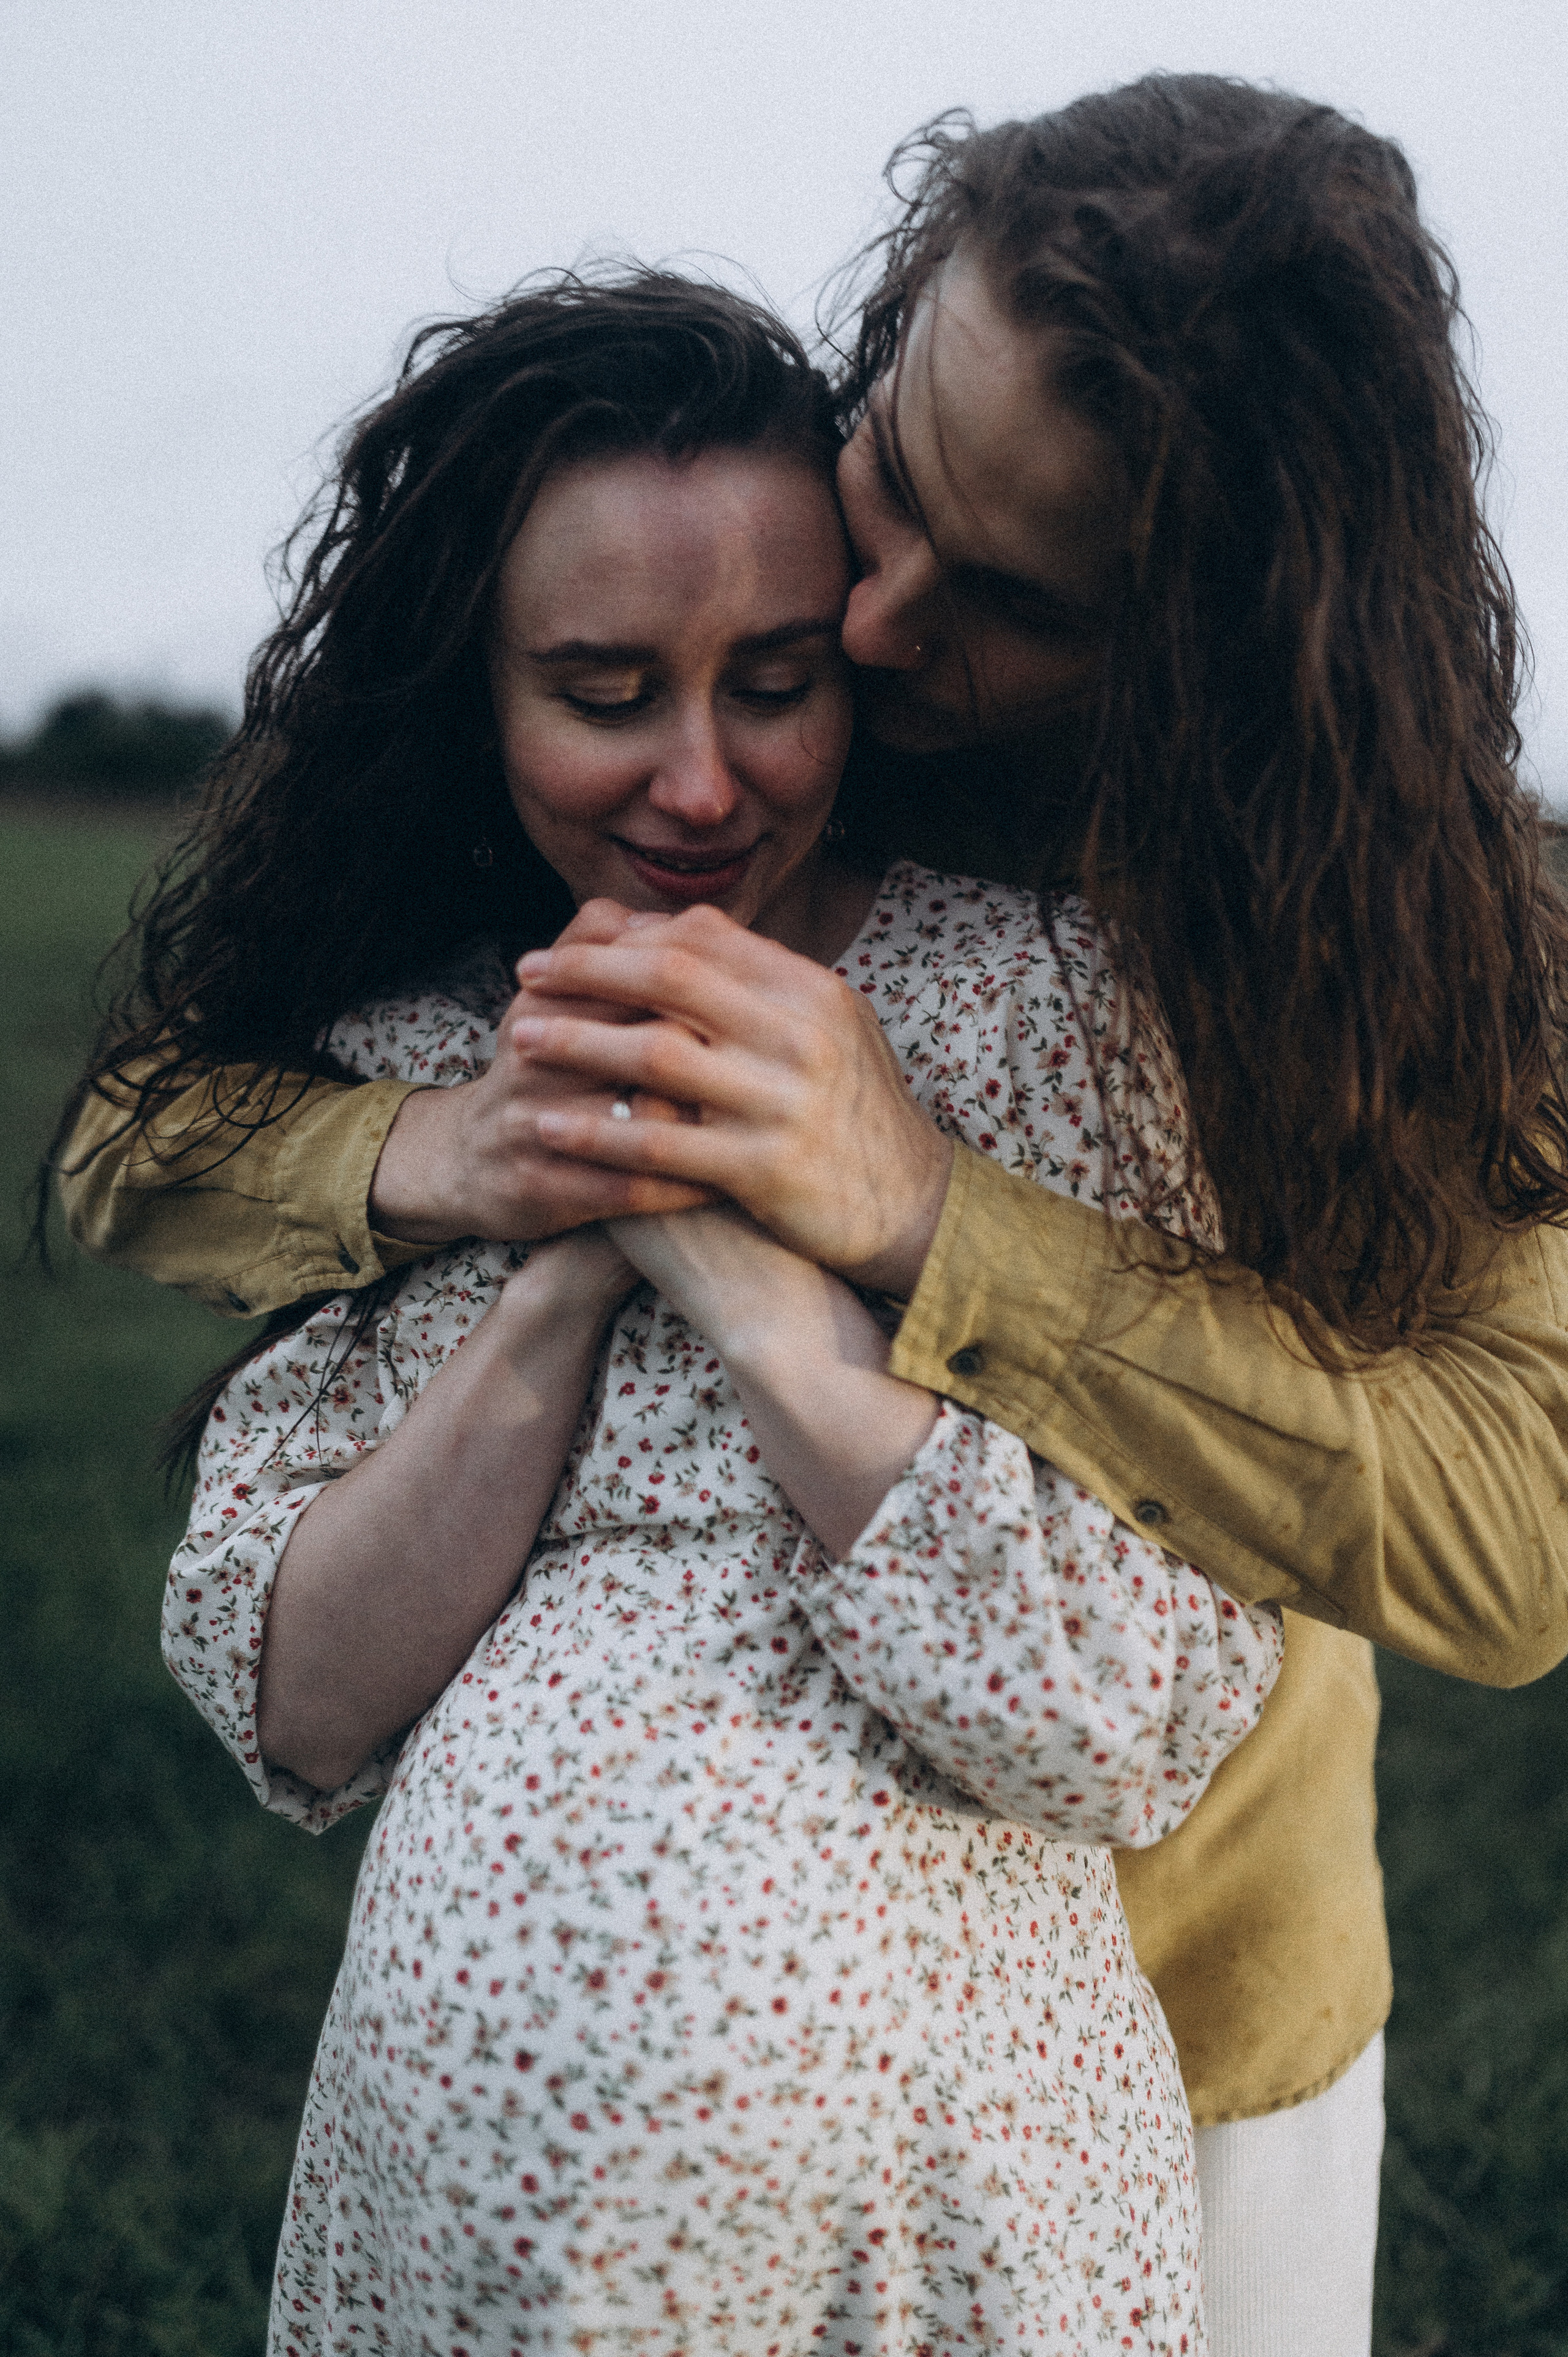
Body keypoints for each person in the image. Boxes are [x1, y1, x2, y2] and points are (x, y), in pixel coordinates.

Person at [51, 76, 1568, 2356]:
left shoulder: (1347, 916)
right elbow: (134, 1148)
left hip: (1175, 1987)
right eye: (887, 472)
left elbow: (1516, 1526)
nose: (862, 623)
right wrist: (450, 1156)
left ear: (1209, 632)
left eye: (1013, 599)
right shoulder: (693, 687)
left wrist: (926, 1211)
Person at [157, 270, 1282, 2355]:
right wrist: (565, 1255)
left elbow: (1135, 1711)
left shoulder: (1047, 1018)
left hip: (936, 2236)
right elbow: (297, 1697)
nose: (699, 785)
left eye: (774, 681)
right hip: (472, 2234)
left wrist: (764, 1293)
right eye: (602, 692)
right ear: (474, 697)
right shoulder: (405, 1065)